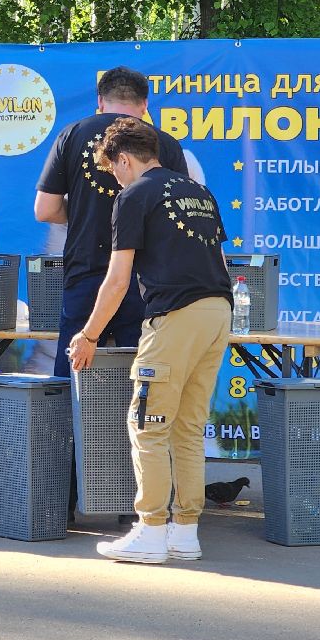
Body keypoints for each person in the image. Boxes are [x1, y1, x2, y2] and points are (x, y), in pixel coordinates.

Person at [67, 117, 231, 566]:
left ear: (124, 158)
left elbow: (117, 279)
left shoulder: (134, 195)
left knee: (147, 424)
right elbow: (220, 257)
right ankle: (185, 532)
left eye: (113, 168)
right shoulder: (199, 192)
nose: (114, 178)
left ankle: (151, 530)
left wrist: (88, 335)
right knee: (188, 428)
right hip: (219, 311)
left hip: (175, 315)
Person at [35, 67, 188, 378]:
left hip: (87, 270)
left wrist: (79, 211)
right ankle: (135, 429)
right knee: (141, 380)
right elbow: (177, 214)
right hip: (146, 279)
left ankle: (70, 429)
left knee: (74, 376)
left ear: (100, 102)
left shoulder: (72, 135)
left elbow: (45, 209)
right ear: (145, 104)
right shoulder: (165, 143)